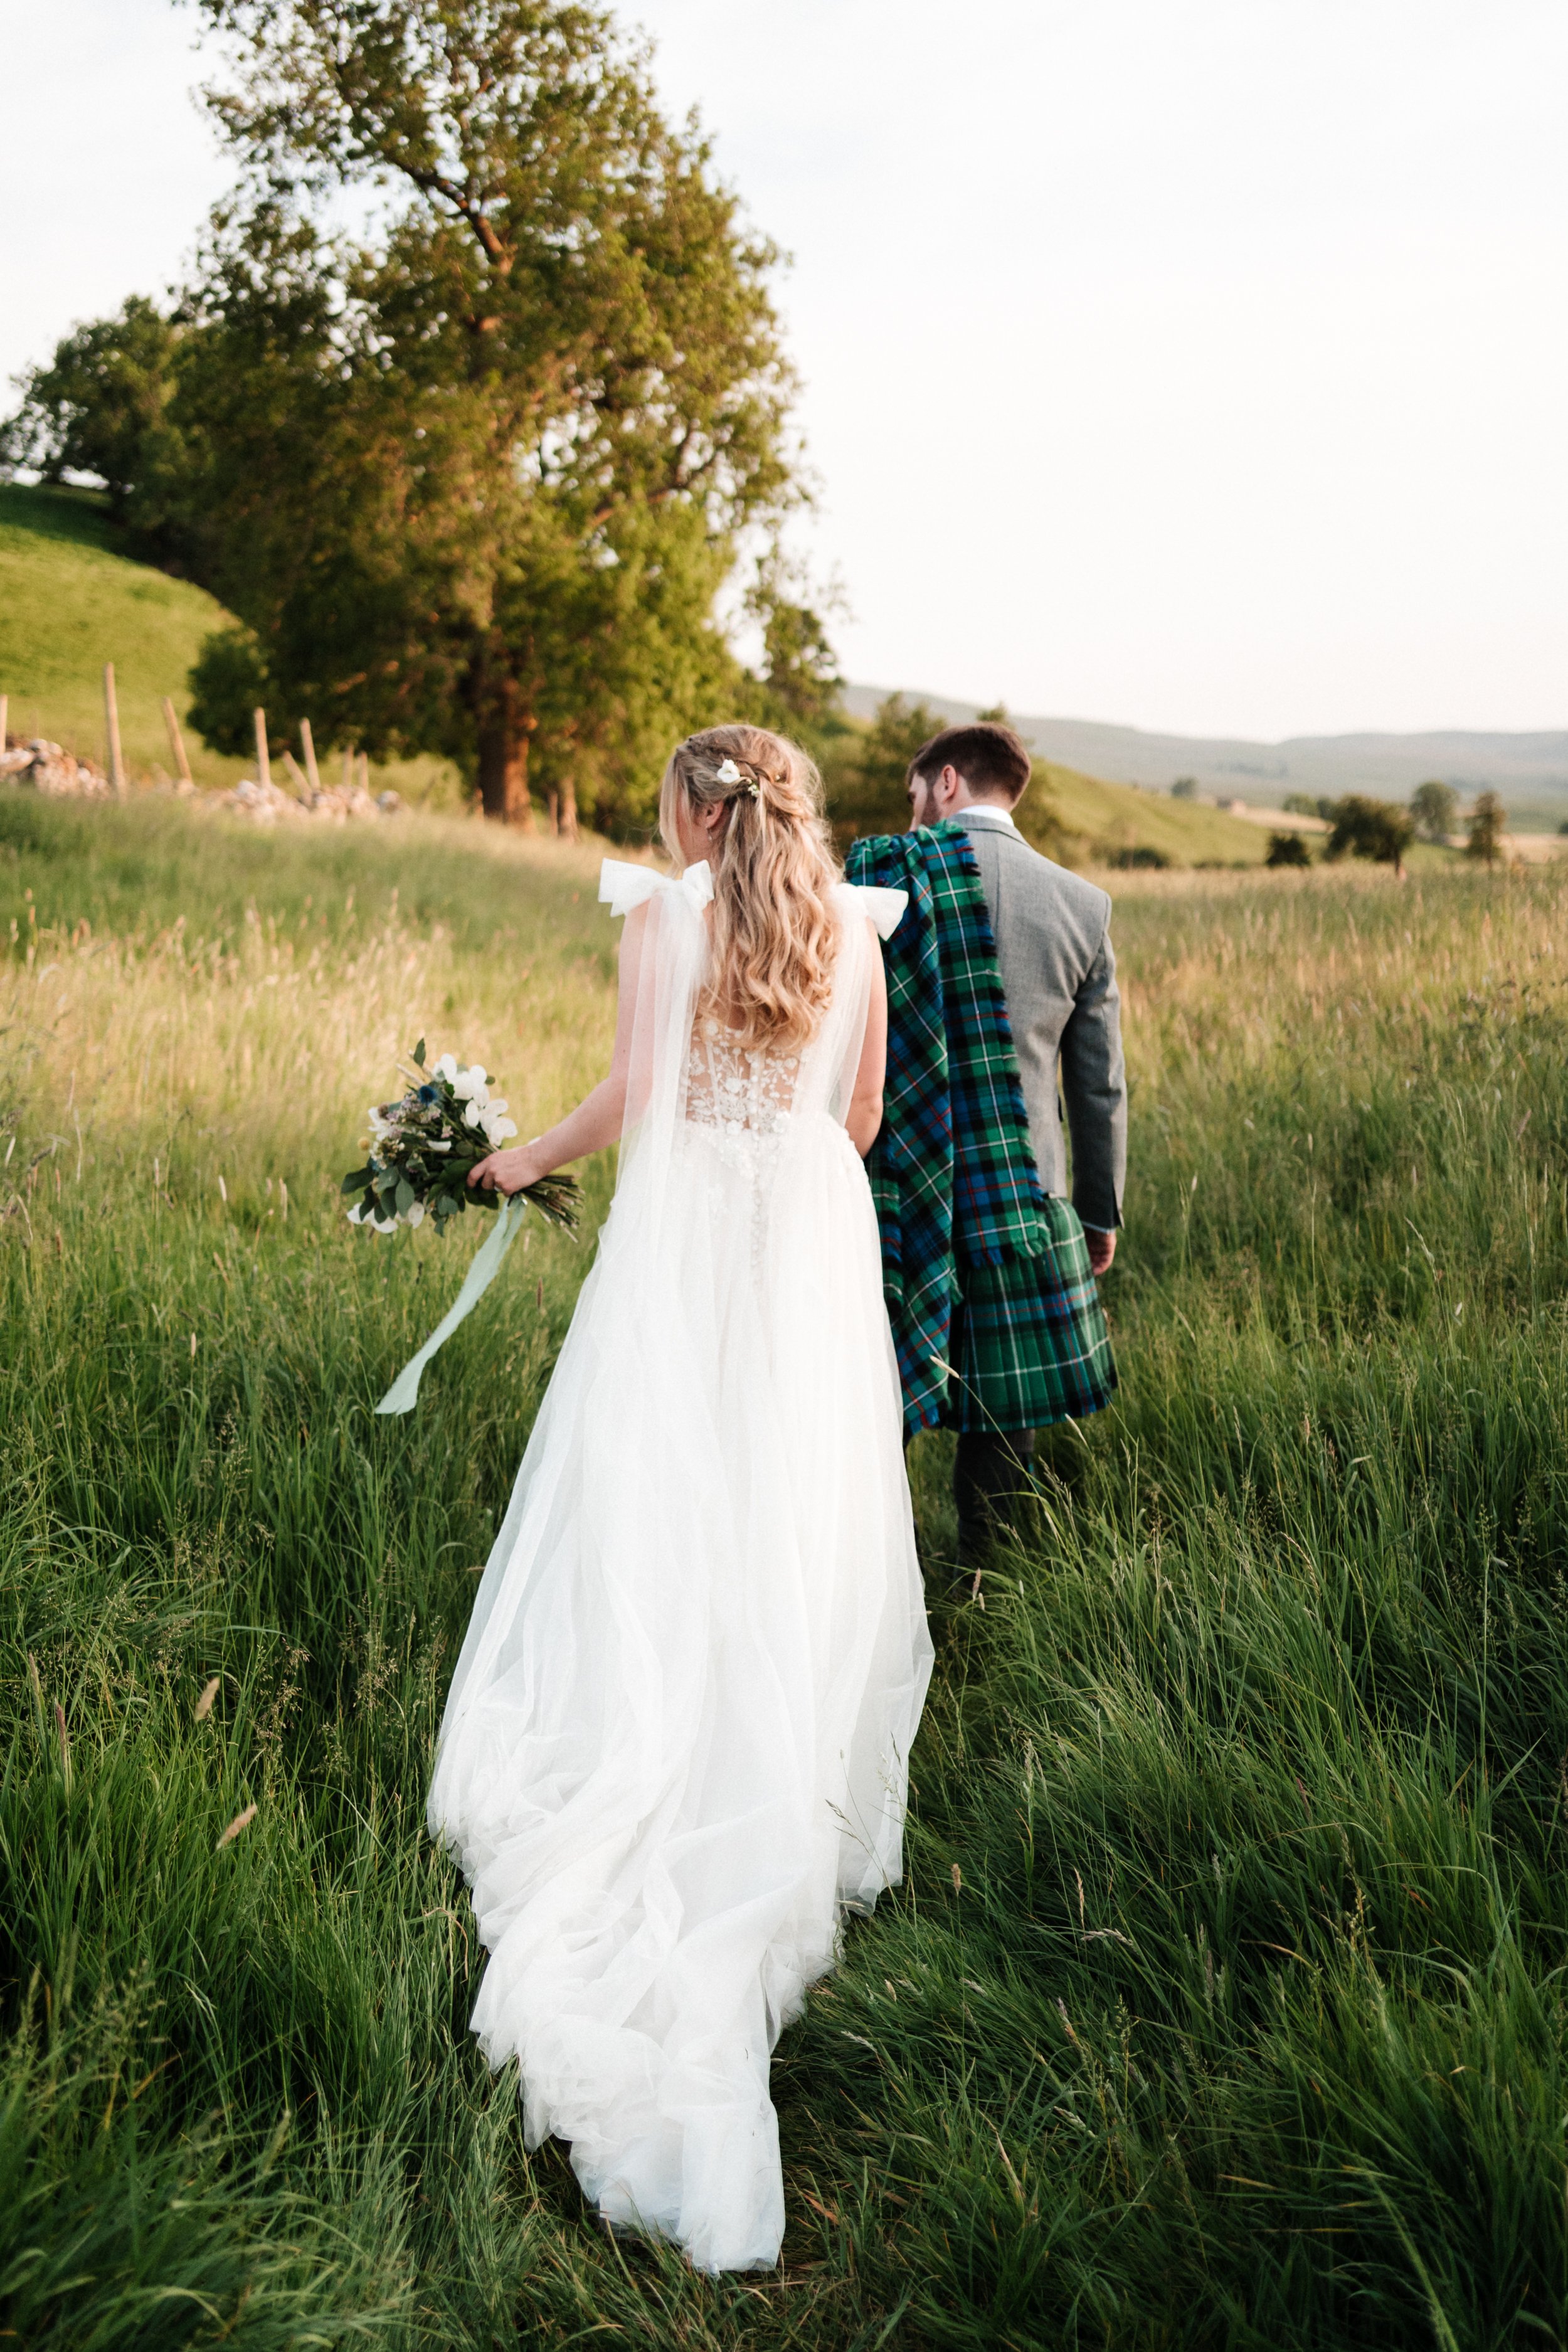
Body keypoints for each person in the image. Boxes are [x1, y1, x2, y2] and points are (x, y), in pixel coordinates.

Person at [425, 725, 933, 2274]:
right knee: (789, 1488)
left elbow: (635, 1097)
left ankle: (640, 1739)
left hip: (694, 1224)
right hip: (804, 1235)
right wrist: (778, 1175)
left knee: (651, 1474)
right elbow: (859, 1117)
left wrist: (521, 1157)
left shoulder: (666, 915)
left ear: (689, 810)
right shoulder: (856, 925)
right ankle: (774, 1737)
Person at [845, 720, 1125, 1572]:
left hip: (894, 1187)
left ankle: (866, 1591)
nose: (915, 814)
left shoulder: (878, 883)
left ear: (951, 782)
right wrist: (1098, 1209)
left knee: (875, 1403)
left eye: (917, 792)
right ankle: (990, 1593)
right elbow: (1099, 1085)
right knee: (1003, 1422)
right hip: (1025, 1194)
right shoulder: (1083, 906)